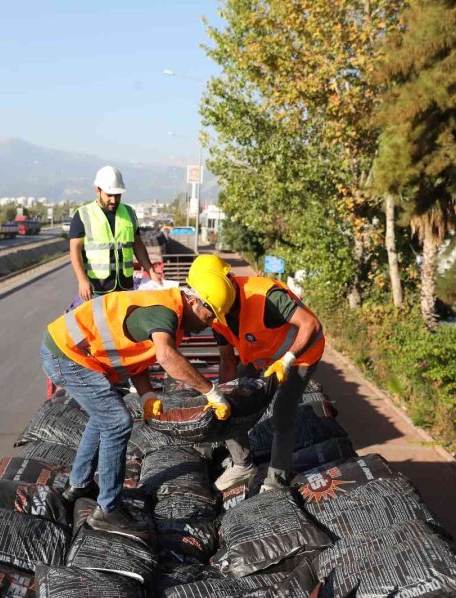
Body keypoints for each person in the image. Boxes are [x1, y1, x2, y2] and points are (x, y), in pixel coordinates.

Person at [40, 279, 235, 539]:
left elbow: (136, 355)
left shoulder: (168, 311)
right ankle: (107, 510)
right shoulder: (164, 313)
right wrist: (212, 392)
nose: (209, 324)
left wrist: (146, 396)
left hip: (73, 352)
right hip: (67, 355)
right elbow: (166, 357)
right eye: (209, 315)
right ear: (193, 301)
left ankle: (79, 485)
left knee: (103, 418)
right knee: (117, 422)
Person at [186, 255, 325, 492]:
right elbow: (227, 359)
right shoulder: (216, 310)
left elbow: (311, 325)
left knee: (283, 411)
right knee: (229, 401)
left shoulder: (266, 296)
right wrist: (221, 397)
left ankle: (276, 480)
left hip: (300, 355)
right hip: (261, 355)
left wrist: (287, 360)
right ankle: (243, 464)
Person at [68, 165, 162, 303]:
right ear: (98, 190)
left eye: (117, 195)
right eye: (109, 195)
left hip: (125, 288)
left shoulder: (129, 213)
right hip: (97, 290)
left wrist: (151, 271)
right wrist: (82, 280)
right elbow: (74, 250)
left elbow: (137, 245)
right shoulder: (83, 214)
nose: (114, 200)